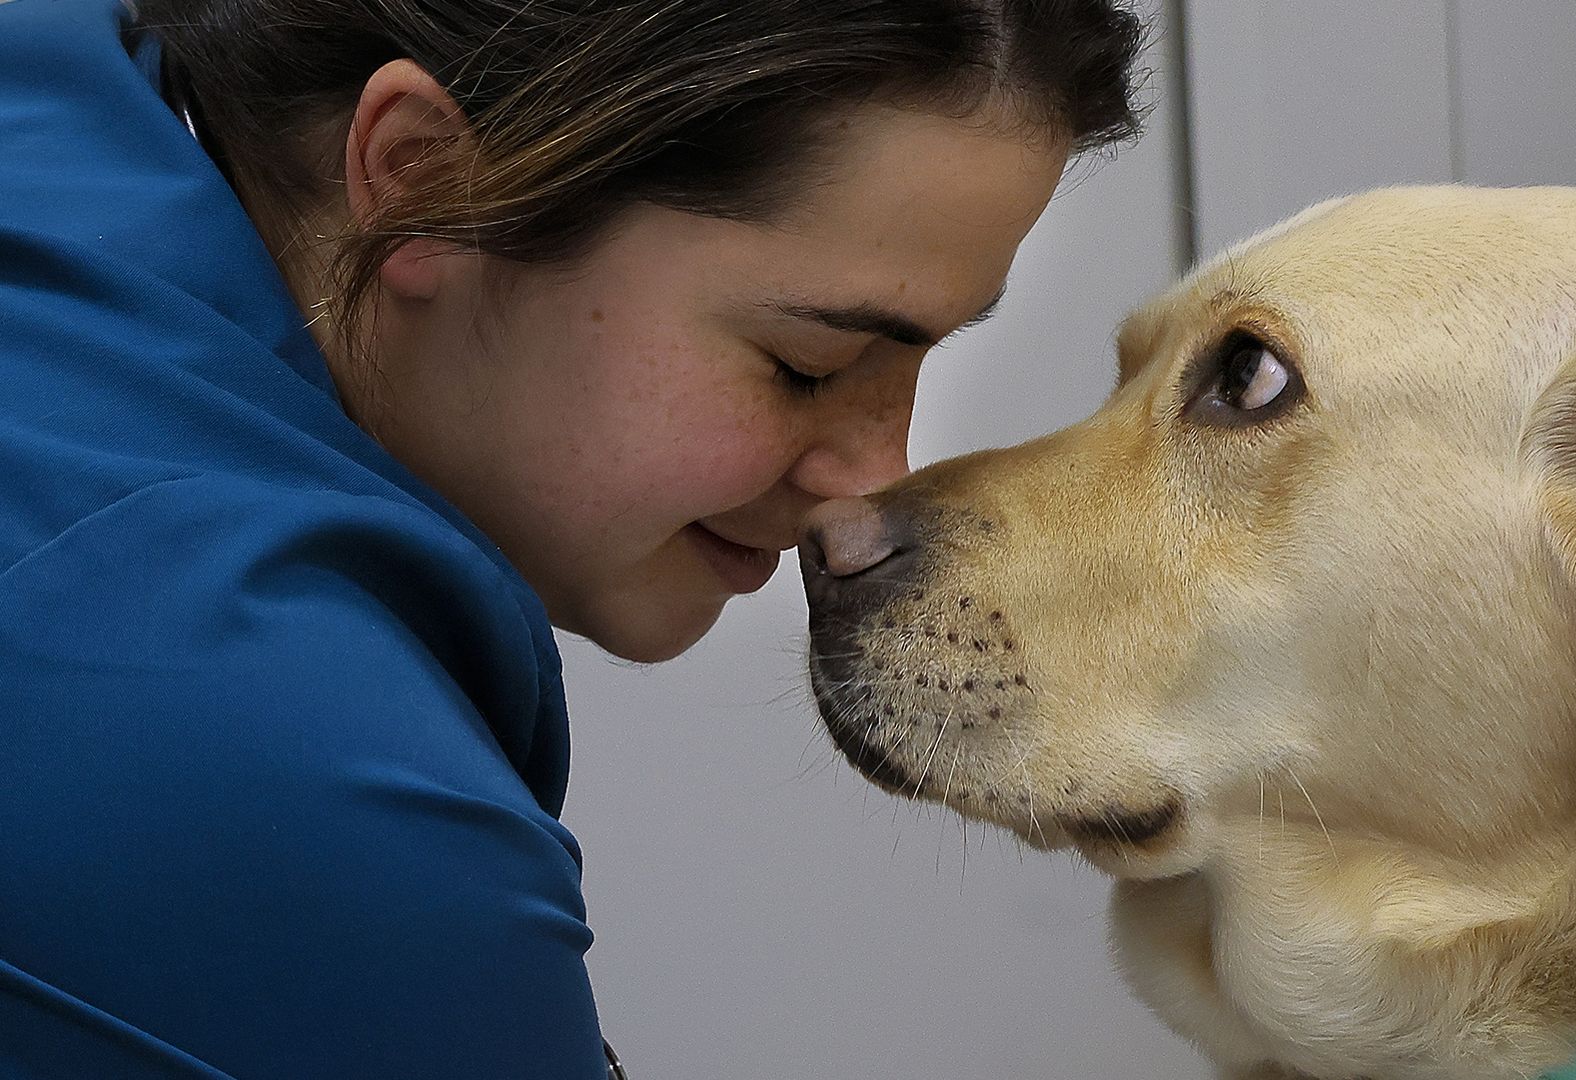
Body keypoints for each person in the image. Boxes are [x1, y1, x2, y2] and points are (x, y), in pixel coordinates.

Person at [0, 0, 1145, 1075]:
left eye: (919, 358)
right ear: (424, 182)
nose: (870, 482)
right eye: (811, 364)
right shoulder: (293, 781)